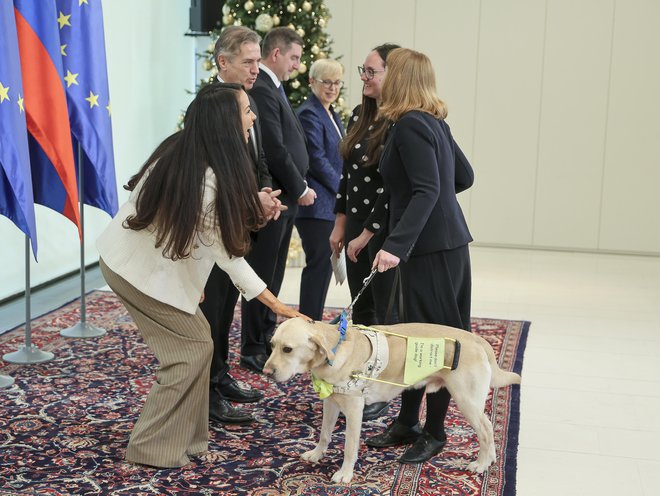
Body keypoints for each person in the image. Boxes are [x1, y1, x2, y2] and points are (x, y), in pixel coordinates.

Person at [96, 83, 306, 469]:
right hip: (135, 270)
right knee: (188, 352)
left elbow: (194, 225)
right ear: (227, 123)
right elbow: (229, 257)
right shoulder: (206, 177)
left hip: (146, 264)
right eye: (246, 110)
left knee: (199, 345)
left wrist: (252, 205)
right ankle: (151, 448)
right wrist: (280, 307)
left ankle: (188, 439)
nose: (253, 117)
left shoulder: (189, 150)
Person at [363, 48, 474, 465]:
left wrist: (396, 244)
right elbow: (462, 177)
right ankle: (407, 422)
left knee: (438, 344)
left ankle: (434, 431)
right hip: (443, 246)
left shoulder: (410, 126)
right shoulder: (430, 122)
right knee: (413, 337)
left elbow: (429, 190)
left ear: (400, 79)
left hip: (430, 252)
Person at [200, 26, 282, 425]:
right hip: (215, 228)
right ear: (224, 62)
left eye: (257, 60)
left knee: (226, 308)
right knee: (211, 313)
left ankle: (221, 375)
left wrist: (265, 192)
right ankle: (209, 392)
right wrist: (254, 201)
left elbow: (259, 159)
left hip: (241, 222)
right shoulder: (209, 107)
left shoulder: (247, 102)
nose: (256, 68)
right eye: (248, 61)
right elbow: (218, 177)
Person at [329, 43, 400, 420]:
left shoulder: (401, 121)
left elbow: (391, 189)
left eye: (372, 72)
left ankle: (383, 389)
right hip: (356, 224)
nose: (364, 78)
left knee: (386, 311)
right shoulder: (360, 113)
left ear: (394, 75)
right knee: (362, 309)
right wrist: (341, 223)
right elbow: (348, 176)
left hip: (383, 229)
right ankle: (362, 378)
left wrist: (368, 234)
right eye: (364, 70)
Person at [240, 27, 314, 373]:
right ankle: (254, 345)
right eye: (294, 57)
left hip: (285, 199)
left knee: (274, 271)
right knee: (262, 271)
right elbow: (273, 146)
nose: (297, 65)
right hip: (277, 196)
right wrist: (299, 187)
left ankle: (265, 334)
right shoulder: (265, 89)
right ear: (276, 54)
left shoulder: (274, 88)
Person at [295, 58, 345, 320]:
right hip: (316, 207)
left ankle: (311, 320)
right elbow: (316, 159)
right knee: (318, 266)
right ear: (312, 81)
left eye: (337, 82)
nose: (332, 87)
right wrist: (343, 189)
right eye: (326, 81)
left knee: (323, 267)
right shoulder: (309, 113)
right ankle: (307, 322)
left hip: (328, 203)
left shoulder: (330, 112)